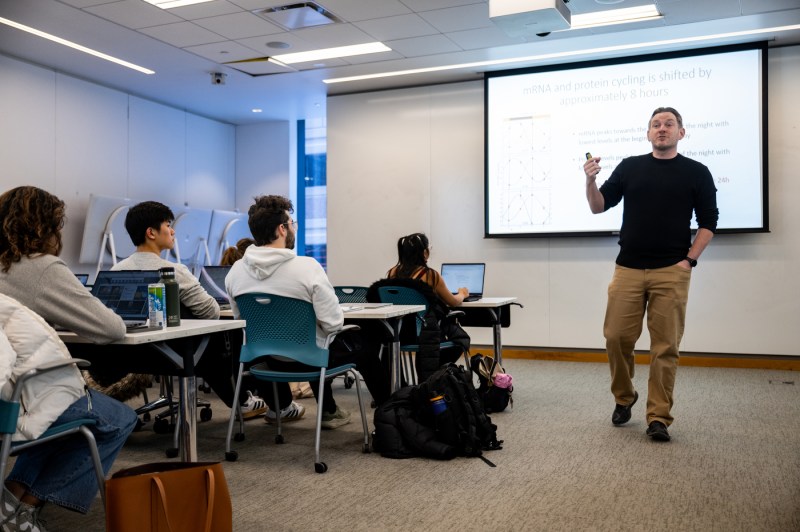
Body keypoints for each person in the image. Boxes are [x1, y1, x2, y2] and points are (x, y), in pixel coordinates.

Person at [0, 186, 138, 526]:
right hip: (30, 394)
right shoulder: (42, 268)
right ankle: (27, 505)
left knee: (60, 422)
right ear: (46, 228)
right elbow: (112, 329)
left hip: (6, 396)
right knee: (118, 418)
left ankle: (10, 497)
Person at [584, 107, 718, 442]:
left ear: (680, 133)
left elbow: (709, 222)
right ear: (648, 134)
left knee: (665, 347)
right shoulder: (631, 167)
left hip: (671, 272)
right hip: (627, 267)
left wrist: (688, 261)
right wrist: (590, 180)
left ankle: (659, 416)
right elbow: (599, 206)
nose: (662, 129)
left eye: (669, 124)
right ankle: (624, 398)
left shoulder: (697, 172)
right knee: (616, 337)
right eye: (656, 124)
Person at [225, 195, 390, 428]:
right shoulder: (307, 268)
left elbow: (241, 323)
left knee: (315, 337)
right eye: (292, 224)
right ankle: (389, 414)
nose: (294, 228)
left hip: (266, 362)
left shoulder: (235, 273)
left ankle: (318, 409)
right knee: (362, 344)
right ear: (282, 229)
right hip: (311, 361)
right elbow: (333, 324)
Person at [112, 201, 269, 419]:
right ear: (151, 233)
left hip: (135, 357)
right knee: (230, 335)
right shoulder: (173, 271)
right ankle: (243, 400)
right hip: (175, 354)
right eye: (167, 225)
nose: (173, 230)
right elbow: (211, 312)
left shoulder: (116, 271)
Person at [219, 236, 307, 420]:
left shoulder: (234, 276)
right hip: (302, 354)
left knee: (253, 343)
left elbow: (238, 319)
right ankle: (286, 407)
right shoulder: (305, 268)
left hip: (255, 351)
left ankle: (273, 404)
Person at [384, 232, 471, 377]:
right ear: (425, 252)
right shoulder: (430, 275)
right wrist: (462, 293)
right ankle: (438, 374)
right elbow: (453, 302)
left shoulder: (392, 273)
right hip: (425, 332)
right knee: (461, 339)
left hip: (400, 332)